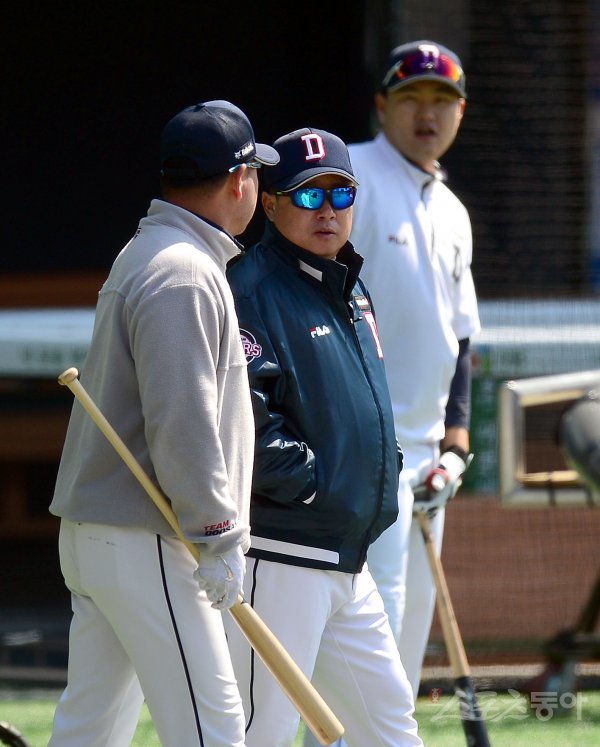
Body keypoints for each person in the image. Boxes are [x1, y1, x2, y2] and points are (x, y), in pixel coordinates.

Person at [48, 100, 279, 747]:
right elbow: (183, 421)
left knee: (90, 732)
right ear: (239, 181)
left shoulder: (154, 252)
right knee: (212, 729)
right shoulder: (182, 269)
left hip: (106, 533)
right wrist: (218, 532)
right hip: (148, 533)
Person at [224, 127, 423, 747]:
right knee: (263, 733)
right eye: (309, 196)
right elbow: (246, 421)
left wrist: (381, 466)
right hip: (282, 554)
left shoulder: (349, 285)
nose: (328, 211)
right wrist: (317, 487)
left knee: (391, 728)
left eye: (341, 194)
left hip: (347, 556)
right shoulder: (248, 287)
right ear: (270, 203)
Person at [347, 40, 481, 698]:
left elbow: (462, 333)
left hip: (431, 461)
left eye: (441, 100)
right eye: (411, 98)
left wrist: (456, 439)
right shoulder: (353, 176)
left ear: (461, 112)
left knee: (403, 649)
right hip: (366, 451)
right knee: (368, 640)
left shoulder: (452, 208)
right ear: (382, 105)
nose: (427, 113)